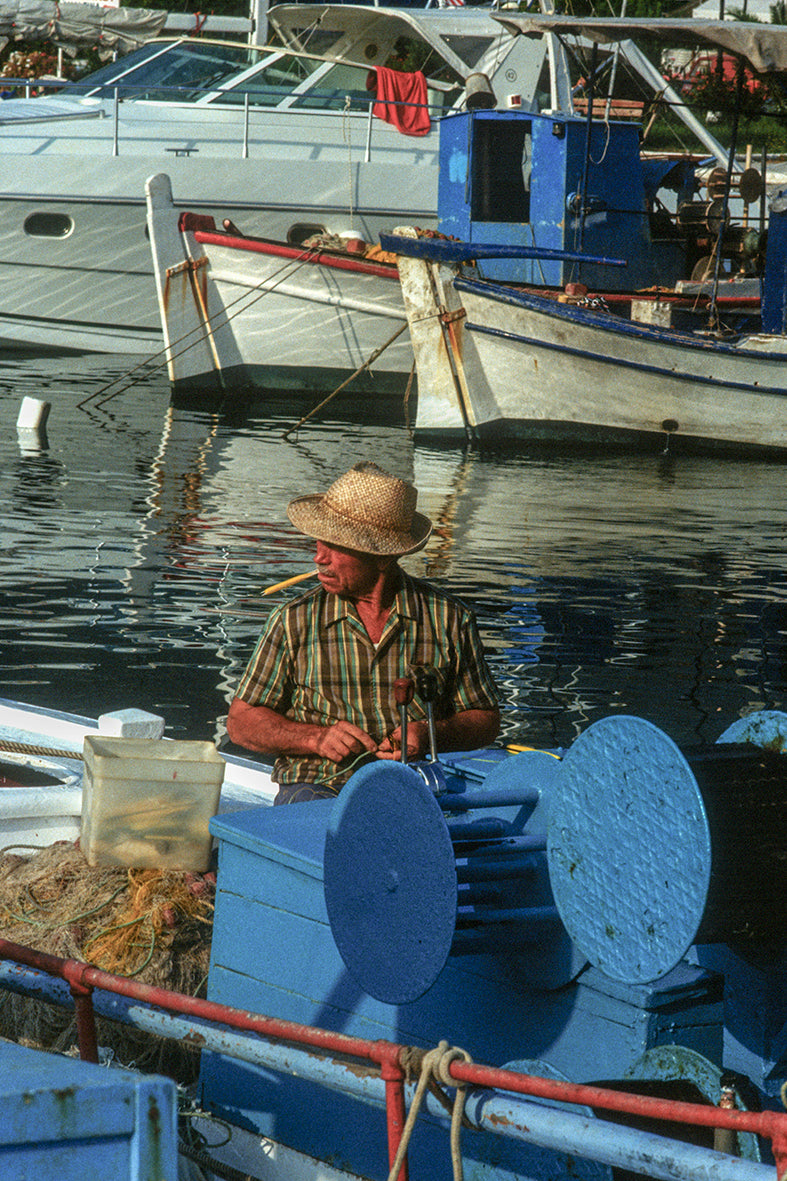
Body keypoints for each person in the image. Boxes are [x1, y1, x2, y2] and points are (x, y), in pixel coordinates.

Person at [226, 462, 500, 804]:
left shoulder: (449, 619)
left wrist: (430, 734)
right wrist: (316, 739)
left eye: (336, 546)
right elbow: (240, 723)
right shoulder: (293, 620)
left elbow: (485, 718)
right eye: (319, 541)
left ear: (383, 557)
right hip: (319, 785)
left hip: (411, 787)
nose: (319, 557)